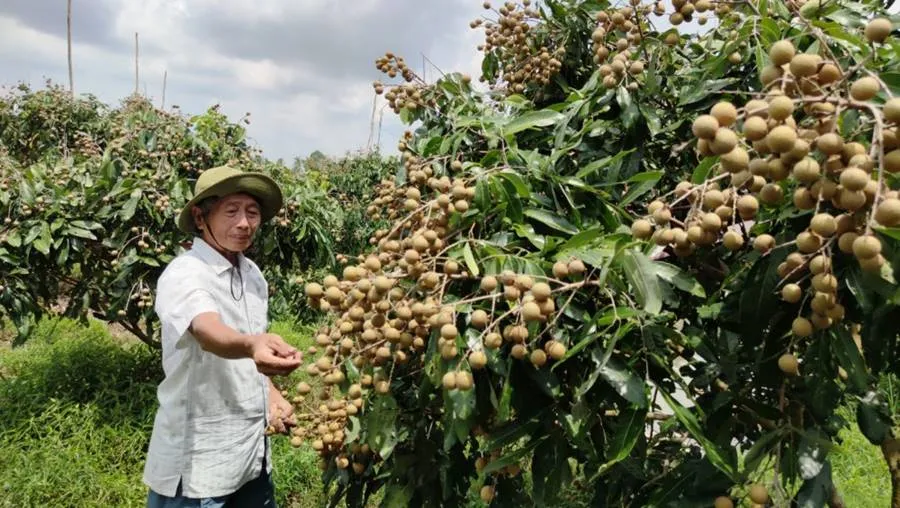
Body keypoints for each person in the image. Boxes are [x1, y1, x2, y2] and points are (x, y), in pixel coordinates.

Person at [143, 165, 303, 507]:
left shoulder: (252, 273)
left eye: (252, 212)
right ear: (201, 218)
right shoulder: (186, 272)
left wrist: (272, 394)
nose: (244, 223)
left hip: (250, 451)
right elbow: (207, 330)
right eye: (231, 211)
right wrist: (251, 344)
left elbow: (251, 345)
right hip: (200, 457)